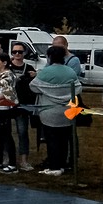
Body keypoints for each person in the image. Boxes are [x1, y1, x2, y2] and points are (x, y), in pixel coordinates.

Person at [30, 45, 81, 176]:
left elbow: (33, 87)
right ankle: (62, 165)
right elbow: (78, 88)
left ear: (49, 57)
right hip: (67, 112)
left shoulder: (45, 72)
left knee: (52, 140)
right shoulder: (70, 71)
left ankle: (54, 167)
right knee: (64, 140)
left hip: (49, 111)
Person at [8, 41, 38, 171]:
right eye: (14, 52)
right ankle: (6, 158)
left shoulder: (29, 68)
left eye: (20, 52)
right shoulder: (6, 66)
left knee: (22, 132)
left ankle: (24, 160)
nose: (17, 54)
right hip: (7, 103)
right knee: (5, 132)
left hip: (23, 104)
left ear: (24, 53)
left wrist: (35, 76)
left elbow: (35, 85)